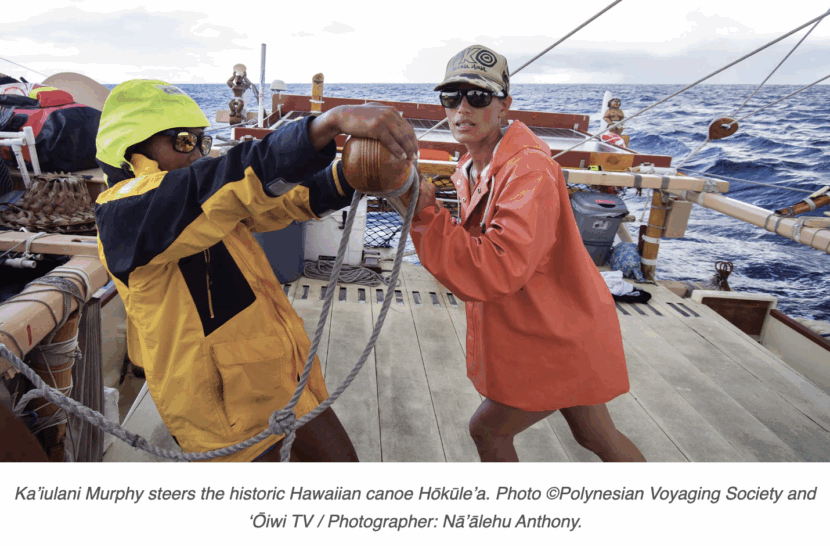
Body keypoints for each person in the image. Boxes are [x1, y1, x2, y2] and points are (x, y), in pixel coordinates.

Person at [94, 79, 417, 462]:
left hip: (283, 383)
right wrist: (323, 127)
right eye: (183, 141)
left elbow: (280, 201)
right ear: (131, 150)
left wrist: (349, 178)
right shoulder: (125, 216)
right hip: (223, 417)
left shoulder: (207, 206)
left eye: (202, 141)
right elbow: (213, 184)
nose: (198, 153)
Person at [406, 46, 645, 462]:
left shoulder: (527, 169)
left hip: (554, 334)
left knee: (487, 431)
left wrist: (425, 212)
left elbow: (495, 269)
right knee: (596, 436)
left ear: (504, 106)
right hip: (554, 325)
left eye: (478, 97)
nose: (462, 108)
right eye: (451, 97)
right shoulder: (472, 166)